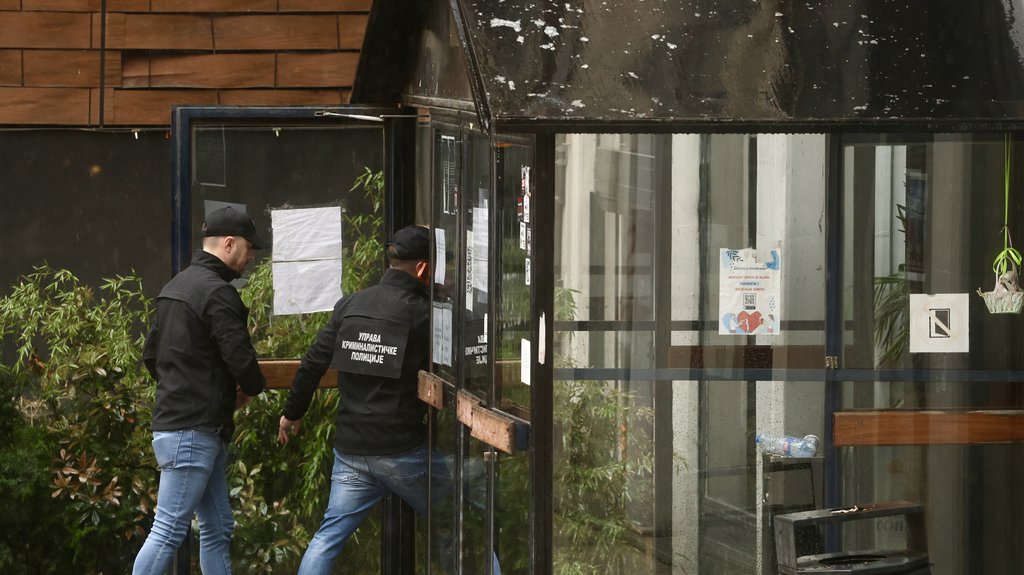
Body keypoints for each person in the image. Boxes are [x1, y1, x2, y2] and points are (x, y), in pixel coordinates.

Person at [278, 225, 435, 574]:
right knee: (459, 518)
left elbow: (312, 363)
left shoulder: (351, 304)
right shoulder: (423, 313)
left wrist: (292, 413)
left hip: (351, 451)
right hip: (400, 450)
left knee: (327, 538)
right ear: (423, 269)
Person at [133, 206, 269, 575]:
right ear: (229, 243)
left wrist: (184, 387)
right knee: (167, 531)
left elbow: (151, 356)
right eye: (249, 247)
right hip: (193, 431)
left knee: (218, 526)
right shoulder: (218, 294)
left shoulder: (174, 288)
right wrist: (249, 389)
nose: (252, 256)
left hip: (184, 426)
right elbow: (242, 361)